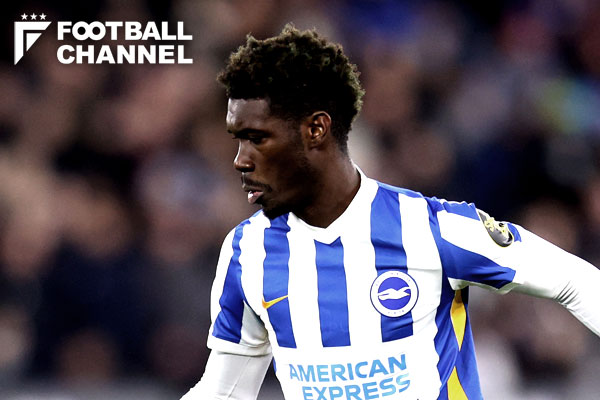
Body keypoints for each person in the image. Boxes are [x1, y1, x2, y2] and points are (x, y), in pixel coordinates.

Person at [182, 25, 600, 400]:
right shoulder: (248, 251)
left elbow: (574, 280)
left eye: (257, 138)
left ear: (316, 130)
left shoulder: (431, 229)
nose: (240, 159)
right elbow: (226, 391)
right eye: (238, 140)